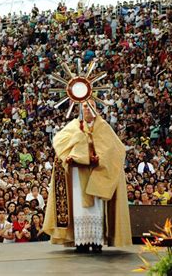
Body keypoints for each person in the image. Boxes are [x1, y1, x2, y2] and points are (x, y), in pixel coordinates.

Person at [43, 100, 131, 253]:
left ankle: (96, 241)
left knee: (97, 209)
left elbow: (116, 150)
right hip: (77, 174)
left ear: (96, 109)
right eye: (85, 106)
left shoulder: (104, 127)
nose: (88, 110)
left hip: (98, 174)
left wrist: (100, 157)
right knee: (78, 208)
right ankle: (80, 241)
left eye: (91, 107)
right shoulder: (73, 127)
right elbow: (60, 144)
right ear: (80, 109)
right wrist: (74, 154)